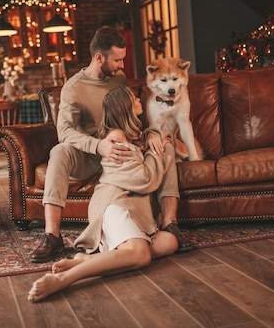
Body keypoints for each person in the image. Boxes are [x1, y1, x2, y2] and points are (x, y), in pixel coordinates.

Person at [30, 26, 192, 263]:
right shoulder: (73, 88)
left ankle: (170, 224)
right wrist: (98, 146)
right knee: (59, 151)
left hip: (124, 148)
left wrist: (150, 133)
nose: (122, 66)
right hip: (90, 154)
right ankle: (52, 235)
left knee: (164, 146)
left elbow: (131, 115)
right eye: (117, 60)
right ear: (99, 57)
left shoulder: (118, 79)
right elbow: (64, 132)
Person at [28, 85, 179, 302]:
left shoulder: (133, 134)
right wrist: (157, 153)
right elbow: (145, 179)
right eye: (133, 98)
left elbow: (152, 134)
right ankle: (65, 279)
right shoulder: (116, 138)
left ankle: (85, 260)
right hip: (114, 205)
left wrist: (154, 136)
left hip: (133, 207)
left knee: (169, 242)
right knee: (141, 254)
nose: (138, 99)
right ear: (124, 107)